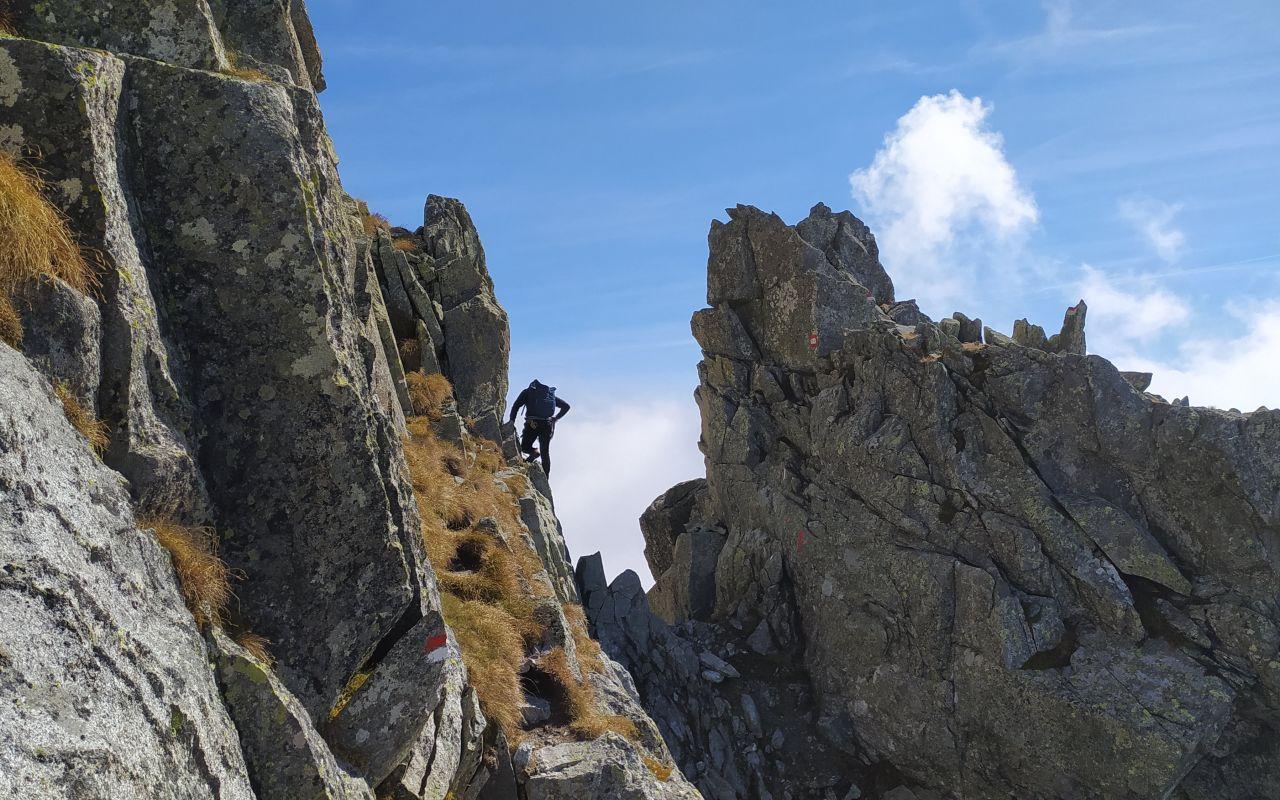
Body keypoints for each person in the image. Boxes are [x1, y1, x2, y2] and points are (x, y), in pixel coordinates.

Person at [507, 379, 570, 475]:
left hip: (532, 424)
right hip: (547, 425)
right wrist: (555, 418)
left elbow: (516, 406)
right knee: (545, 453)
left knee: (524, 448)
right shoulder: (548, 396)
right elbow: (566, 406)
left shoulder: (527, 392)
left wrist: (511, 421)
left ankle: (534, 453)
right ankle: (546, 479)